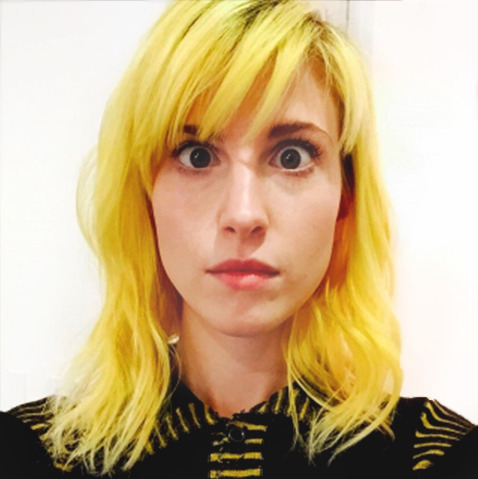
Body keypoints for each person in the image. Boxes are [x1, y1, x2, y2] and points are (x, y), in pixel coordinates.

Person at [1, 1, 476, 478]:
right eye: (196, 155)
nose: (243, 214)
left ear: (345, 198)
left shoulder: (435, 455)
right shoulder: (32, 452)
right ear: (145, 194)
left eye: (292, 156)